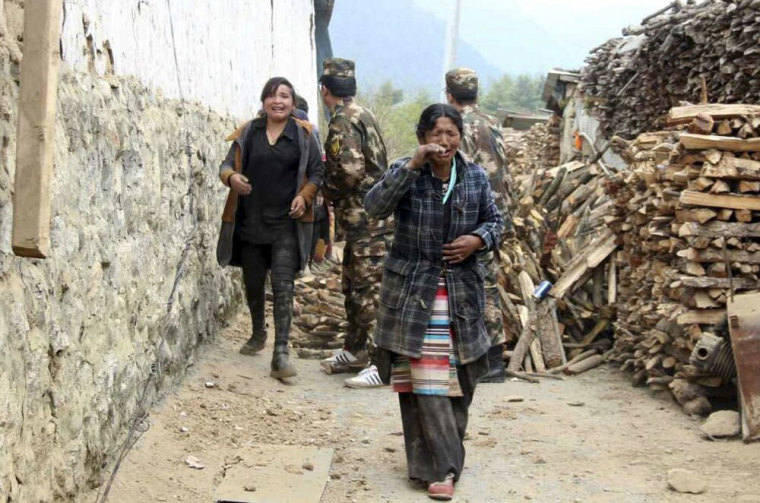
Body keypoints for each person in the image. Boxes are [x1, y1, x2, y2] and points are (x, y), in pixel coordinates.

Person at [364, 104, 503, 500]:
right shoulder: (406, 172)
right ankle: (442, 467)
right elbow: (373, 207)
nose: (444, 142)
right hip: (414, 295)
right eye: (436, 134)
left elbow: (497, 221)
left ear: (461, 136)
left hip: (461, 295)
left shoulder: (474, 176)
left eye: (451, 133)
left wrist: (478, 239)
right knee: (425, 379)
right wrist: (411, 165)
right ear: (422, 135)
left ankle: (432, 462)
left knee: (461, 378)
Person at [217, 77, 324, 380]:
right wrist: (232, 179)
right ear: (264, 101)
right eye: (273, 96)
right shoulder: (249, 132)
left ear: (293, 103)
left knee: (282, 286)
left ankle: (281, 353)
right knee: (252, 284)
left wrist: (305, 197)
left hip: (286, 226)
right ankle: (257, 331)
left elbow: (318, 172)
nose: (279, 101)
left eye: (285, 96)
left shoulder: (304, 135)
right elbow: (225, 167)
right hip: (251, 224)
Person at [318, 57, 394, 387]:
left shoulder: (342, 121)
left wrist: (325, 191)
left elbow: (349, 170)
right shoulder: (364, 113)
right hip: (367, 218)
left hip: (367, 220)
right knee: (353, 284)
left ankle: (381, 363)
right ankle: (356, 350)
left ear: (324, 90)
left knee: (368, 291)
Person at [445, 67, 514, 383]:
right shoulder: (492, 123)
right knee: (485, 283)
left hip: (475, 220)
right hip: (498, 215)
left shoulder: (457, 127)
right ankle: (487, 359)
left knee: (478, 286)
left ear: (449, 95)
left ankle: (487, 361)